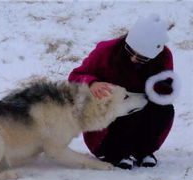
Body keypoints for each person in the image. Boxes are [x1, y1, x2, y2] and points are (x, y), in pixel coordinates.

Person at [68, 14, 180, 169]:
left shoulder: (164, 57)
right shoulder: (106, 51)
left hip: (141, 107)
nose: (134, 59)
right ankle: (114, 152)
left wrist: (160, 89)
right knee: (122, 108)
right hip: (111, 115)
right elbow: (75, 76)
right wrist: (92, 83)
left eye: (142, 58)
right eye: (130, 51)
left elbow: (165, 89)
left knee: (163, 108)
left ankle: (143, 150)